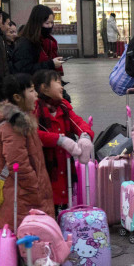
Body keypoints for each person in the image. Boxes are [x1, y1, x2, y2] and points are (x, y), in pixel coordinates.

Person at [0, 73, 54, 230]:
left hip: (23, 196)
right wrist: (36, 190)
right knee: (27, 246)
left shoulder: (21, 119)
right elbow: (18, 165)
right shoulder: (13, 126)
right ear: (17, 97)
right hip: (23, 200)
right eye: (31, 91)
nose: (36, 95)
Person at [32, 70, 94, 208]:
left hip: (63, 170)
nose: (62, 87)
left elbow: (78, 122)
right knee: (46, 208)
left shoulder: (63, 106)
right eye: (58, 83)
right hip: (44, 169)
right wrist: (59, 140)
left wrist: (85, 136)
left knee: (64, 206)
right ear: (44, 88)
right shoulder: (34, 108)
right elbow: (32, 134)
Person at [11, 5, 65, 77]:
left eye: (52, 23)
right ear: (37, 23)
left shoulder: (47, 40)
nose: (50, 26)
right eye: (47, 23)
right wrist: (51, 64)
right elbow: (24, 69)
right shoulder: (25, 43)